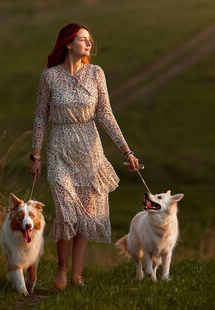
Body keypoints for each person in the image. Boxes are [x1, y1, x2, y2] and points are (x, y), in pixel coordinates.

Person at [29, 23, 139, 289]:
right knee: (66, 211)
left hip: (90, 149)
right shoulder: (50, 77)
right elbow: (40, 117)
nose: (89, 44)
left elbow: (106, 114)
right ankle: (61, 269)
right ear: (68, 43)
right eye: (83, 39)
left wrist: (127, 151)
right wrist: (36, 154)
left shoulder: (96, 73)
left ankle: (77, 276)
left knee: (85, 216)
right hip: (59, 147)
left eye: (90, 40)